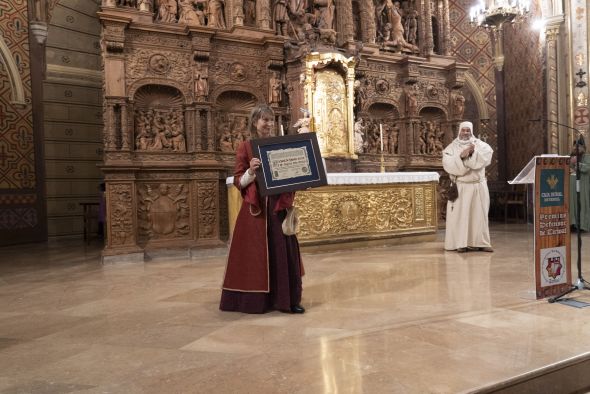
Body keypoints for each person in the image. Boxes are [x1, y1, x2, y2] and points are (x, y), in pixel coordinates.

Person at [220, 104, 305, 314]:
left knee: (284, 253)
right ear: (254, 122)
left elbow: (292, 172)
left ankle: (288, 300)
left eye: (270, 119)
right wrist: (250, 171)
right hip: (256, 212)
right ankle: (256, 301)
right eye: (264, 119)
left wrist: (303, 174)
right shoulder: (246, 147)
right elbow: (239, 181)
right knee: (254, 256)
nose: (268, 123)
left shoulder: (280, 146)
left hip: (278, 207)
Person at [442, 121, 494, 253]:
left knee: (479, 216)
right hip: (461, 186)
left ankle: (481, 242)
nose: (465, 133)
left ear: (472, 131)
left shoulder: (481, 146)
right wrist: (462, 155)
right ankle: (461, 243)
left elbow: (485, 159)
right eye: (463, 130)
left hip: (478, 186)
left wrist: (472, 153)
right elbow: (450, 166)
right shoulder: (451, 148)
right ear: (459, 131)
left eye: (468, 130)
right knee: (461, 216)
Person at [570, 138, 590, 232]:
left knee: (582, 204)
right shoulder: (571, 157)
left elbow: (587, 168)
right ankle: (573, 224)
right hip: (572, 186)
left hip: (583, 184)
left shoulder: (587, 157)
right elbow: (570, 169)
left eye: (578, 147)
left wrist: (577, 163)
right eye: (575, 147)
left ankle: (582, 226)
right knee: (573, 204)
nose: (576, 149)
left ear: (583, 148)